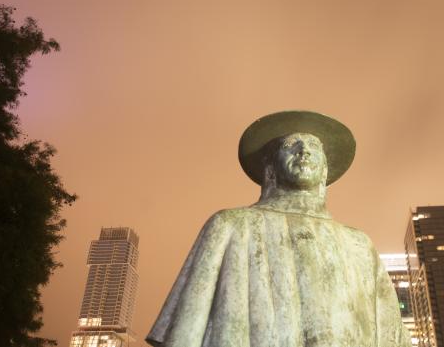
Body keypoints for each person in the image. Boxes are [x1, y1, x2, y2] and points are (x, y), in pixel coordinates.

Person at [146, 111, 410, 347]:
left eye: (313, 146)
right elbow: (183, 333)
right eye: (290, 145)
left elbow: (390, 335)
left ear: (325, 171)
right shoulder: (230, 226)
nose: (303, 151)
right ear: (269, 169)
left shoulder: (359, 245)